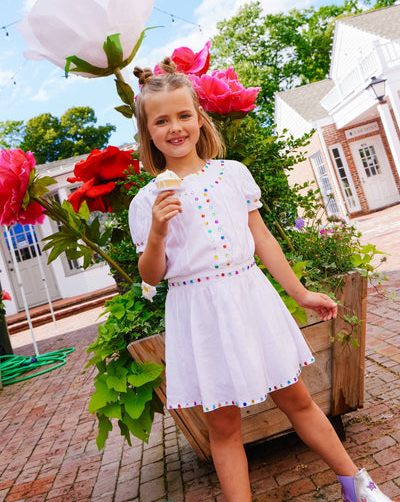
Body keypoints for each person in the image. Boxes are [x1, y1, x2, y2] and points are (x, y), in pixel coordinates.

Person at [128, 58, 393, 502]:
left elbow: (263, 239)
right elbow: (151, 277)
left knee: (298, 400)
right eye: (162, 120)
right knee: (224, 425)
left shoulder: (232, 174)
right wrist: (157, 231)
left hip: (250, 299)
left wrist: (302, 293)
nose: (175, 127)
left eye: (183, 115)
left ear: (199, 117)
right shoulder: (146, 201)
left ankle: (357, 486)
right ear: (148, 132)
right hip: (200, 314)